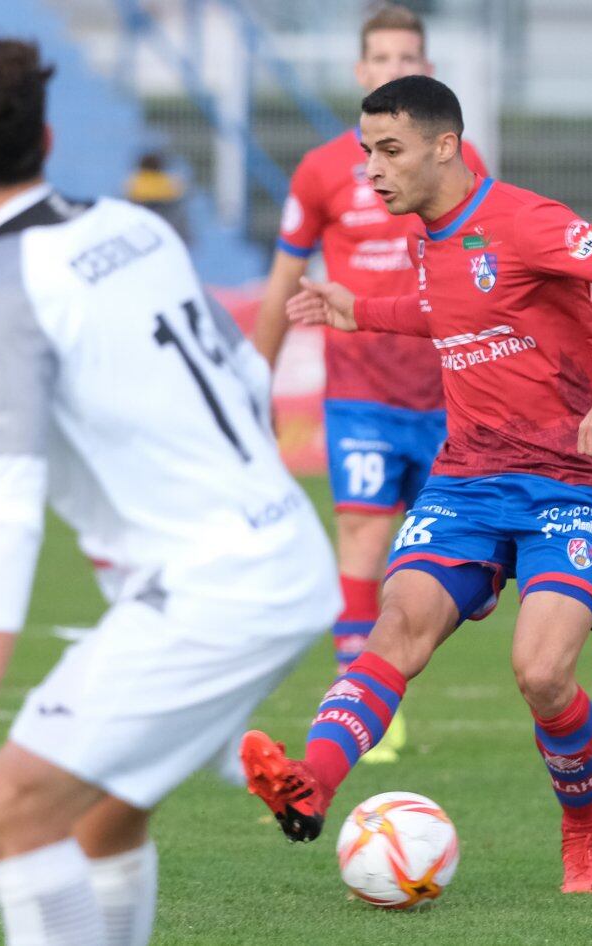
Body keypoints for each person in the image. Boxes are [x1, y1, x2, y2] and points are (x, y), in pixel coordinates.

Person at [0, 22, 340, 946]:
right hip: (290, 554)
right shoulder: (134, 226)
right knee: (107, 810)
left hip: (215, 590)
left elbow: (5, 507)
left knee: (14, 811)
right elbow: (248, 383)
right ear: (47, 141)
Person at [240, 75, 592, 895]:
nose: (372, 170)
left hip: (570, 480)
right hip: (469, 476)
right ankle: (312, 782)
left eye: (389, 150)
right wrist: (357, 310)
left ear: (444, 146)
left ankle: (583, 829)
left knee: (542, 672)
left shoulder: (524, 220)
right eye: (366, 151)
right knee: (397, 628)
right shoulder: (428, 236)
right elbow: (445, 309)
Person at [251, 3, 488, 764]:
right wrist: (252, 377)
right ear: (361, 72)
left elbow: (485, 271)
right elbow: (285, 279)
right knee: (360, 530)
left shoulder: (461, 161)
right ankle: (359, 704)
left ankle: (387, 672)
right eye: (381, 57)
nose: (393, 67)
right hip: (360, 392)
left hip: (445, 392)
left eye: (407, 57)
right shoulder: (324, 170)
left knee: (461, 571)